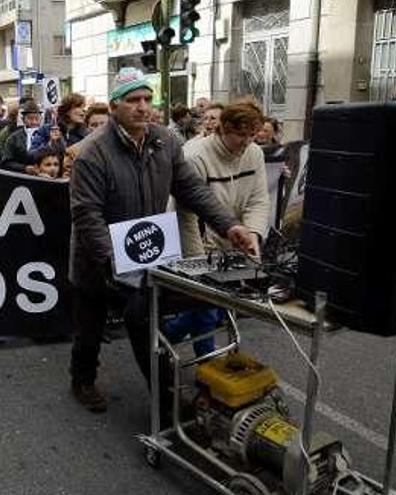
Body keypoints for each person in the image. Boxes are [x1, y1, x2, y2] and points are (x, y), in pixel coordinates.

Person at [68, 67, 258, 415]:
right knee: (89, 330)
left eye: (146, 99)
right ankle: (82, 380)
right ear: (113, 107)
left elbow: (192, 190)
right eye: (132, 100)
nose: (142, 107)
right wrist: (113, 260)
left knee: (142, 317)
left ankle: (166, 396)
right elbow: (87, 216)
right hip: (98, 260)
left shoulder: (166, 141)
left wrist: (230, 225)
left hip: (147, 254)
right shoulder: (92, 153)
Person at [168, 102, 270, 357]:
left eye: (251, 135)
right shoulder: (194, 156)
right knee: (206, 305)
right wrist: (196, 262)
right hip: (198, 238)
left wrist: (254, 235)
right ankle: (207, 363)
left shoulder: (255, 153)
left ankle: (163, 340)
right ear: (222, 129)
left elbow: (258, 199)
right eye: (240, 135)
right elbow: (186, 214)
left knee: (213, 307)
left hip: (232, 237)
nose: (247, 142)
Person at [61, 102, 110, 179]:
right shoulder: (74, 153)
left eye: (103, 124)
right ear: (87, 128)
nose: (99, 129)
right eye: (94, 125)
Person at [0, 100, 44, 173]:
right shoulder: (14, 138)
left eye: (37, 118)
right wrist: (24, 168)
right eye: (30, 118)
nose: (34, 122)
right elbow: (6, 163)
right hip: (20, 177)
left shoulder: (45, 136)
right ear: (23, 120)